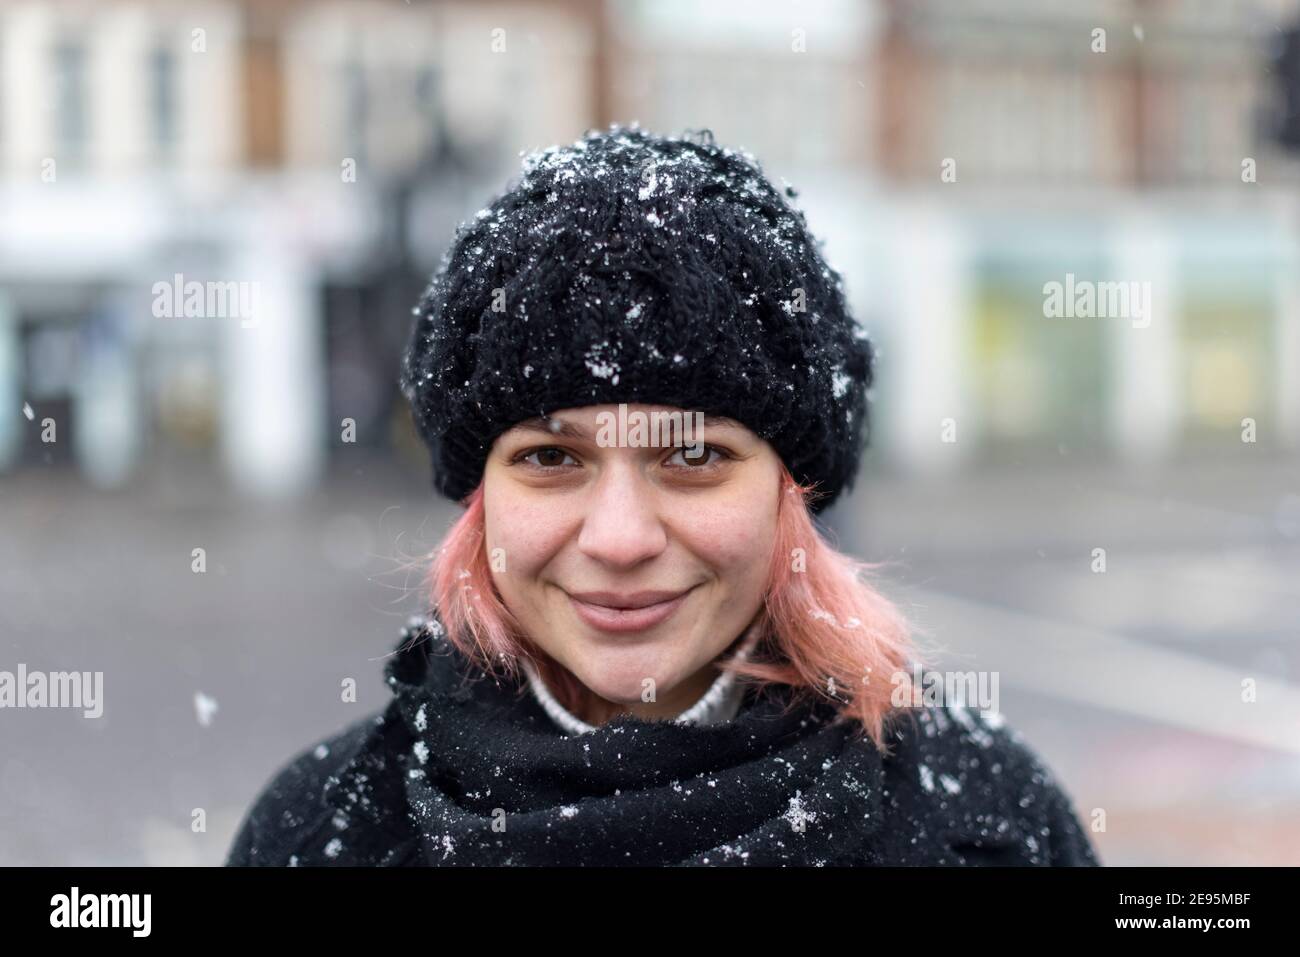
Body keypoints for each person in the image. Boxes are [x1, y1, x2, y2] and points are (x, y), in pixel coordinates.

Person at [225, 124, 1100, 867]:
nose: (618, 538)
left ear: (795, 495)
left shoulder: (994, 823)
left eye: (693, 455)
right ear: (477, 498)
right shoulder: (317, 832)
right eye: (550, 458)